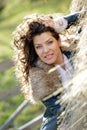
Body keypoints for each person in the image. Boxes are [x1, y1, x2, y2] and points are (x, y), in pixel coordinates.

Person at [12, 12, 81, 130]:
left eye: (49, 42)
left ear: (58, 41)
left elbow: (84, 16)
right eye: (39, 46)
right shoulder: (39, 78)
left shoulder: (77, 50)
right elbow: (67, 114)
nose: (45, 50)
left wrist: (60, 23)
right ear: (35, 50)